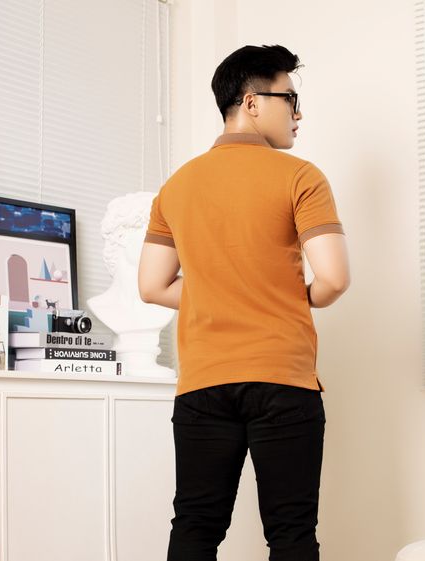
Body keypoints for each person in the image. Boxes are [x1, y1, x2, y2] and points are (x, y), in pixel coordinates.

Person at [138, 44, 350, 561]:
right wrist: (291, 294)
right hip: (283, 380)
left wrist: (220, 289)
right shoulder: (300, 176)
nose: (298, 114)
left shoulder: (176, 186)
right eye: (290, 99)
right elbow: (334, 278)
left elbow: (152, 286)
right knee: (291, 532)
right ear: (252, 102)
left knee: (195, 525)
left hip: (204, 383)